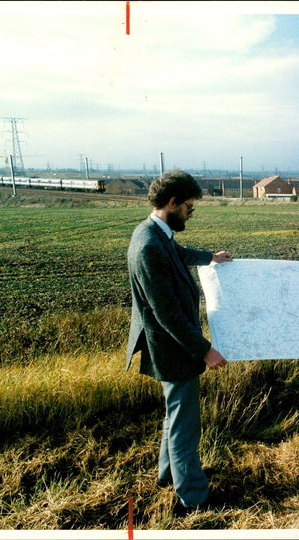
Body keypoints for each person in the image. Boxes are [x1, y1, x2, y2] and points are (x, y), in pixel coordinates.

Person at [126, 169, 233, 513]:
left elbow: (178, 253)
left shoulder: (157, 235)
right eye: (188, 207)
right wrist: (206, 351)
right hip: (173, 349)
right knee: (185, 424)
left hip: (173, 347)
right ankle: (194, 498)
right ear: (172, 203)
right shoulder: (147, 246)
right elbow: (167, 314)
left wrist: (209, 257)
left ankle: (167, 476)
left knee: (175, 415)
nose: (190, 213)